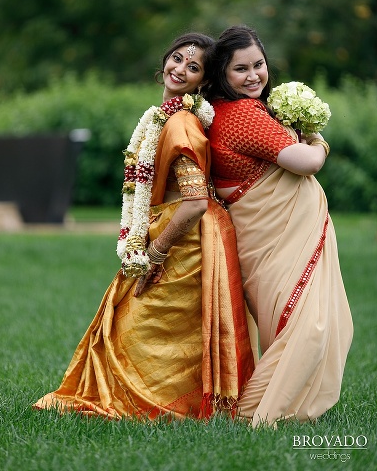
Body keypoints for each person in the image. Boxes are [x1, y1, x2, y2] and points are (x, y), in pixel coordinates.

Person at [34, 32, 253, 419]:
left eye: (193, 67)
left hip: (184, 245)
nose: (179, 68)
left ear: (203, 81)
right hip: (176, 234)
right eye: (177, 58)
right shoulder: (165, 115)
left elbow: (194, 205)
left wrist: (154, 253)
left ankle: (159, 404)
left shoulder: (182, 123)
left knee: (146, 324)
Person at [203, 25, 353, 427]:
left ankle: (279, 403)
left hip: (270, 238)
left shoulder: (228, 111)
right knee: (306, 328)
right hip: (274, 239)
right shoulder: (242, 115)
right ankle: (259, 409)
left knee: (290, 324)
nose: (253, 75)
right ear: (222, 75)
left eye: (259, 65)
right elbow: (307, 163)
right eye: (241, 69)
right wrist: (316, 140)